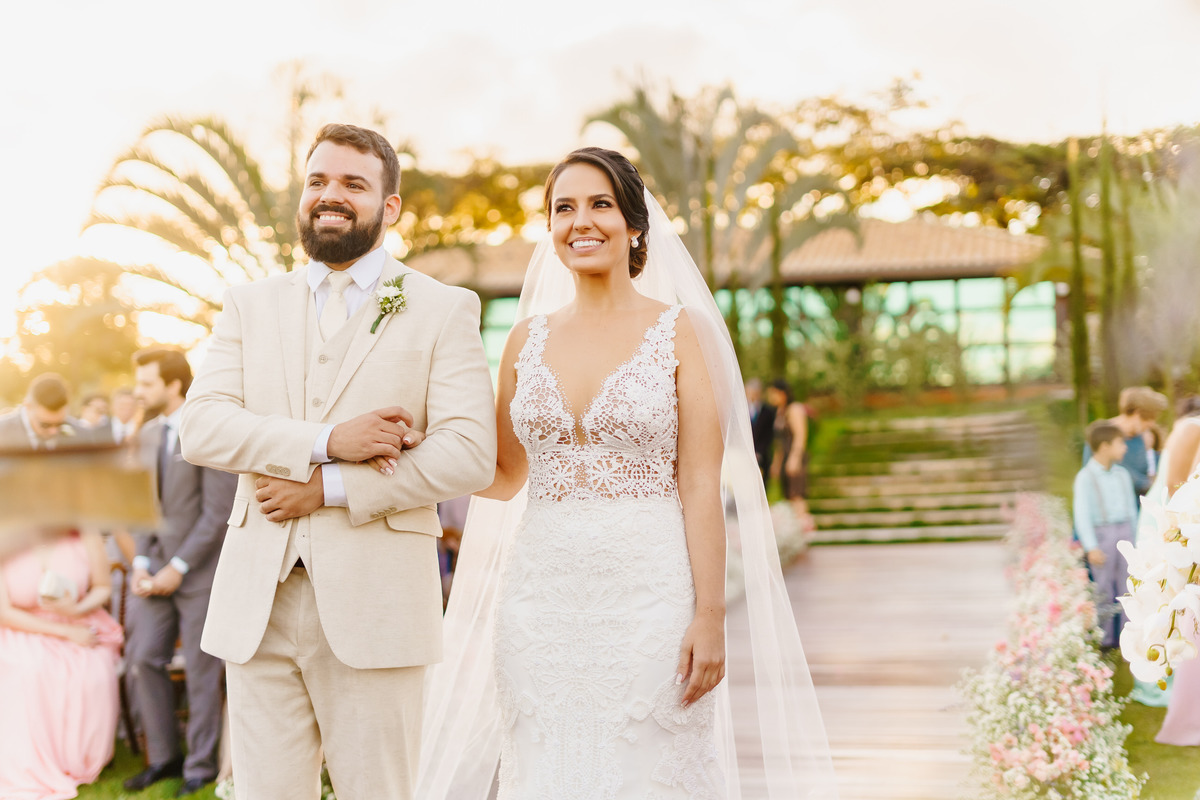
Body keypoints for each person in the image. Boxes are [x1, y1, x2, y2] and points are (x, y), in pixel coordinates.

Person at [417, 148, 837, 798]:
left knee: (646, 769)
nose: (580, 221)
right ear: (550, 228)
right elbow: (501, 475)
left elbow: (700, 483)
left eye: (600, 204)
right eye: (564, 208)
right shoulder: (524, 340)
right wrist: (419, 445)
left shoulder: (681, 333)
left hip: (650, 598)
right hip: (539, 605)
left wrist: (709, 616)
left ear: (635, 224)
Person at [179, 123, 497, 800]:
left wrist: (329, 487)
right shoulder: (248, 304)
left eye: (353, 183)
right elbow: (201, 428)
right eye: (318, 180)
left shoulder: (442, 309)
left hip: (378, 604)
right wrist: (325, 442)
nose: (331, 195)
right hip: (255, 605)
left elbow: (470, 454)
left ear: (391, 206)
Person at [122, 347, 237, 796]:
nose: (139, 391)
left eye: (147, 383)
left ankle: (200, 766)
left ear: (173, 384)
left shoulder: (208, 431)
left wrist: (179, 566)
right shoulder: (148, 434)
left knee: (201, 670)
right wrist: (141, 563)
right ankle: (164, 757)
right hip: (154, 572)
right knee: (143, 659)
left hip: (200, 574)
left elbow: (218, 511)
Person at [0, 528, 123, 798]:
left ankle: (75, 760)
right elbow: (4, 612)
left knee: (93, 671)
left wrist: (76, 611)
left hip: (79, 621)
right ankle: (31, 762)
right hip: (22, 627)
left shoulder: (84, 535)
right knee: (27, 669)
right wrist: (67, 633)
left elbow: (102, 587)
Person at [1074, 420, 1137, 649]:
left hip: (1125, 531)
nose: (1125, 448)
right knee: (1103, 588)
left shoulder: (1122, 474)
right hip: (1102, 535)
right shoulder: (1086, 476)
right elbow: (1082, 514)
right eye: (1120, 443)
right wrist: (1091, 547)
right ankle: (1106, 639)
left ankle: (1128, 639)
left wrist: (1135, 540)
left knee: (1128, 586)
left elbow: (1132, 510)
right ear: (1104, 446)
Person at [1082, 386, 1168, 501]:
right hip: (1109, 508)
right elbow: (1092, 474)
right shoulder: (1101, 434)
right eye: (1150, 418)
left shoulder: (1144, 437)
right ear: (1137, 414)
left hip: (1139, 506)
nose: (1152, 424)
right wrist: (1151, 484)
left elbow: (1152, 468)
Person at [0, 373, 83, 450]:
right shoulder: (2, 431)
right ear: (28, 406)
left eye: (59, 424)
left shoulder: (81, 435)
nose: (53, 431)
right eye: (45, 425)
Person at [768, 379, 812, 522]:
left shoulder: (795, 409)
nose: (770, 397)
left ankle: (805, 529)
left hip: (795, 456)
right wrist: (777, 463)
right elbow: (779, 442)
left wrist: (795, 458)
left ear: (782, 393)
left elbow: (800, 435)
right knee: (788, 495)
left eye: (773, 393)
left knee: (796, 494)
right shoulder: (780, 412)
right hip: (785, 456)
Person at [746, 377, 776, 486]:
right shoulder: (741, 410)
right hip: (743, 457)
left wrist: (759, 452)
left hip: (762, 457)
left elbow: (769, 435)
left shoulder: (768, 411)